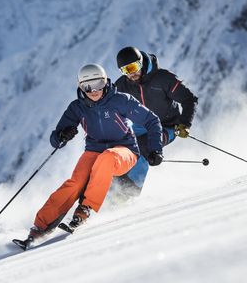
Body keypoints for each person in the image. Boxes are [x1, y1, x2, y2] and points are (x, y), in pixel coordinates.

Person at [16, 64, 163, 249]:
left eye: (98, 84)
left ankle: (84, 210)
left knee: (107, 158)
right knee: (75, 183)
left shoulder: (121, 100)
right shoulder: (77, 108)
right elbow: (56, 138)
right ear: (80, 86)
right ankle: (40, 227)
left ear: (105, 82)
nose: (94, 91)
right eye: (88, 86)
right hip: (94, 151)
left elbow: (152, 120)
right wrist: (62, 136)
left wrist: (156, 149)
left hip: (124, 151)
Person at [113, 46, 198, 196]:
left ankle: (128, 193)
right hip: (138, 126)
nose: (131, 73)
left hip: (165, 126)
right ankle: (111, 188)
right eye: (126, 70)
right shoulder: (122, 85)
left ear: (141, 63)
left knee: (145, 147)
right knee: (119, 149)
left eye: (133, 67)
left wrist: (185, 123)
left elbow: (189, 99)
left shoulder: (163, 79)